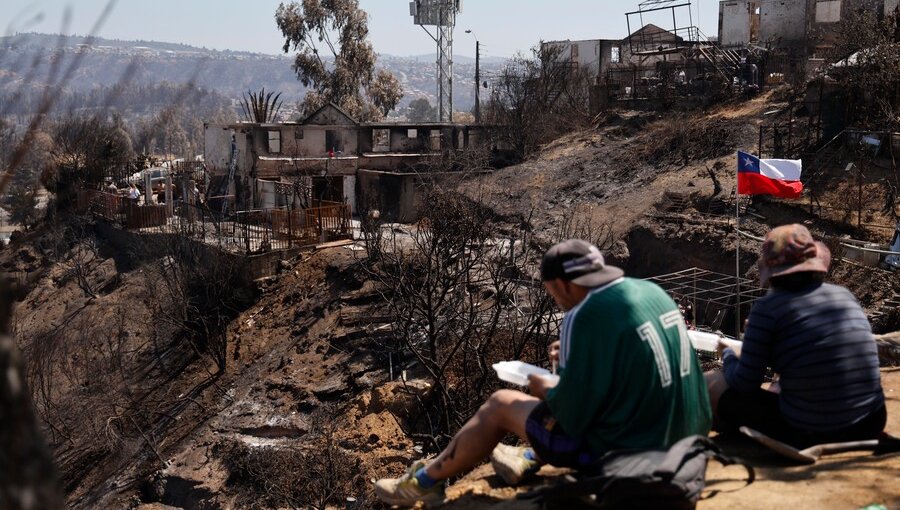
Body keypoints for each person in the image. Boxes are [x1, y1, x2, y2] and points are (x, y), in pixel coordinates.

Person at [374, 240, 712, 507]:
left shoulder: (584, 315)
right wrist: (568, 361)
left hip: (630, 455)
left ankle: (422, 483)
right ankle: (530, 455)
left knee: (500, 404)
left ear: (562, 285)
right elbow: (623, 372)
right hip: (687, 437)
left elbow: (573, 417)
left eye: (550, 291)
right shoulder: (650, 291)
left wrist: (544, 387)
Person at [705, 224, 886, 448]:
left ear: (773, 271)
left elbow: (745, 383)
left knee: (712, 382)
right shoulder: (844, 296)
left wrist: (730, 355)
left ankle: (730, 440)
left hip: (810, 431)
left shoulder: (767, 308)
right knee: (781, 384)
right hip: (871, 421)